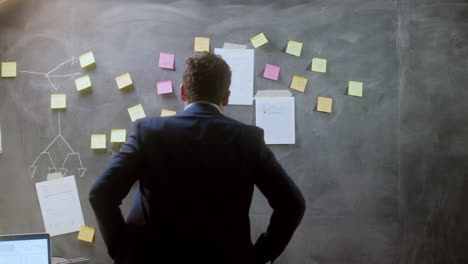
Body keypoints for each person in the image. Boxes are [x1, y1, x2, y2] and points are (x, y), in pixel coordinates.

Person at [89, 52, 306, 264]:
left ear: (183, 92)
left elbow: (101, 194)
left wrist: (123, 251)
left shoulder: (148, 132)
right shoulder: (249, 139)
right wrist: (259, 256)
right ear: (226, 97)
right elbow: (292, 204)